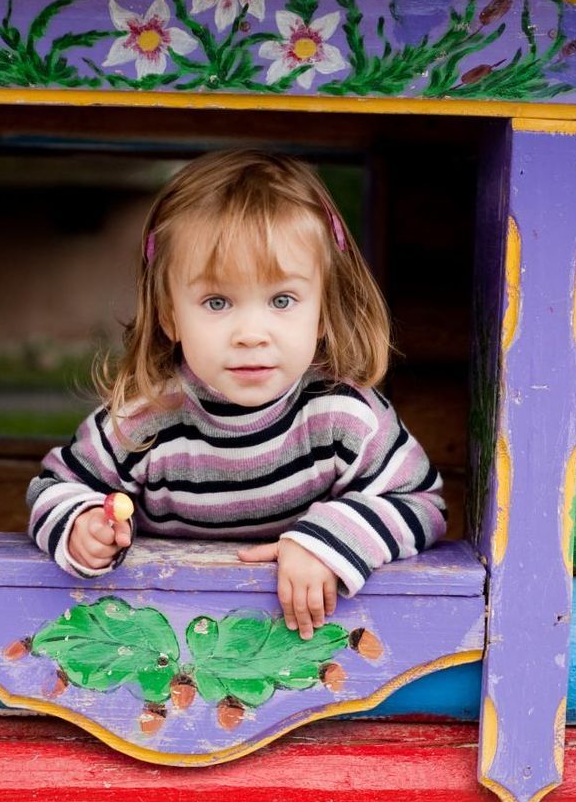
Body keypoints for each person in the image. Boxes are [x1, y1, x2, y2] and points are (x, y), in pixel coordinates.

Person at [24, 149, 445, 640]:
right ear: (170, 316)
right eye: (217, 302)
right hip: (159, 640)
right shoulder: (143, 422)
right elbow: (54, 488)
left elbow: (422, 502)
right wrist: (81, 525)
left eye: (282, 300)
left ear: (323, 312)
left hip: (310, 641)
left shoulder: (344, 418)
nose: (250, 334)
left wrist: (330, 539)